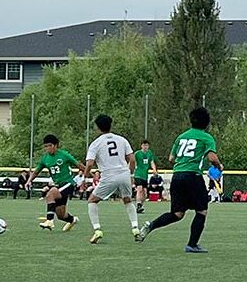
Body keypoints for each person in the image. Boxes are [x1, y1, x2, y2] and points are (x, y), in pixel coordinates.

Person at [138, 107, 222, 253]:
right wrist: (219, 166)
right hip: (193, 176)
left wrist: (182, 162)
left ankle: (151, 225)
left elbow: (171, 158)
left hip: (177, 176)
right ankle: (192, 244)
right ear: (207, 123)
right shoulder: (206, 137)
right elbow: (211, 157)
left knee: (177, 214)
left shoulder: (181, 137)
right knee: (201, 210)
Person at [83, 115, 140, 244]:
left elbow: (90, 163)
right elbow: (132, 160)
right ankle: (135, 228)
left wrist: (85, 176)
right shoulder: (122, 140)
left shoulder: (96, 143)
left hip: (109, 175)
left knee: (92, 201)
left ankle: (97, 230)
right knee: (127, 200)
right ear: (111, 125)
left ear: (97, 127)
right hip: (124, 173)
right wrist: (129, 174)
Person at [25, 135, 86, 232]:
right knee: (61, 215)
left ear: (55, 145)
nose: (47, 148)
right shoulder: (45, 159)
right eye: (45, 146)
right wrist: (29, 181)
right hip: (58, 185)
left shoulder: (64, 155)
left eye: (49, 146)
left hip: (68, 183)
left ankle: (49, 221)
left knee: (50, 194)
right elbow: (36, 172)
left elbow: (78, 165)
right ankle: (72, 220)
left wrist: (92, 174)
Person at [132, 140, 157, 215]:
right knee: (139, 189)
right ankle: (138, 205)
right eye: (144, 145)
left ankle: (140, 206)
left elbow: (151, 162)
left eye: (146, 145)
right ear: (141, 146)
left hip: (144, 175)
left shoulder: (149, 153)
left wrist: (154, 170)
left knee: (145, 193)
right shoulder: (137, 153)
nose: (145, 147)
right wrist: (132, 171)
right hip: (138, 174)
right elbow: (133, 162)